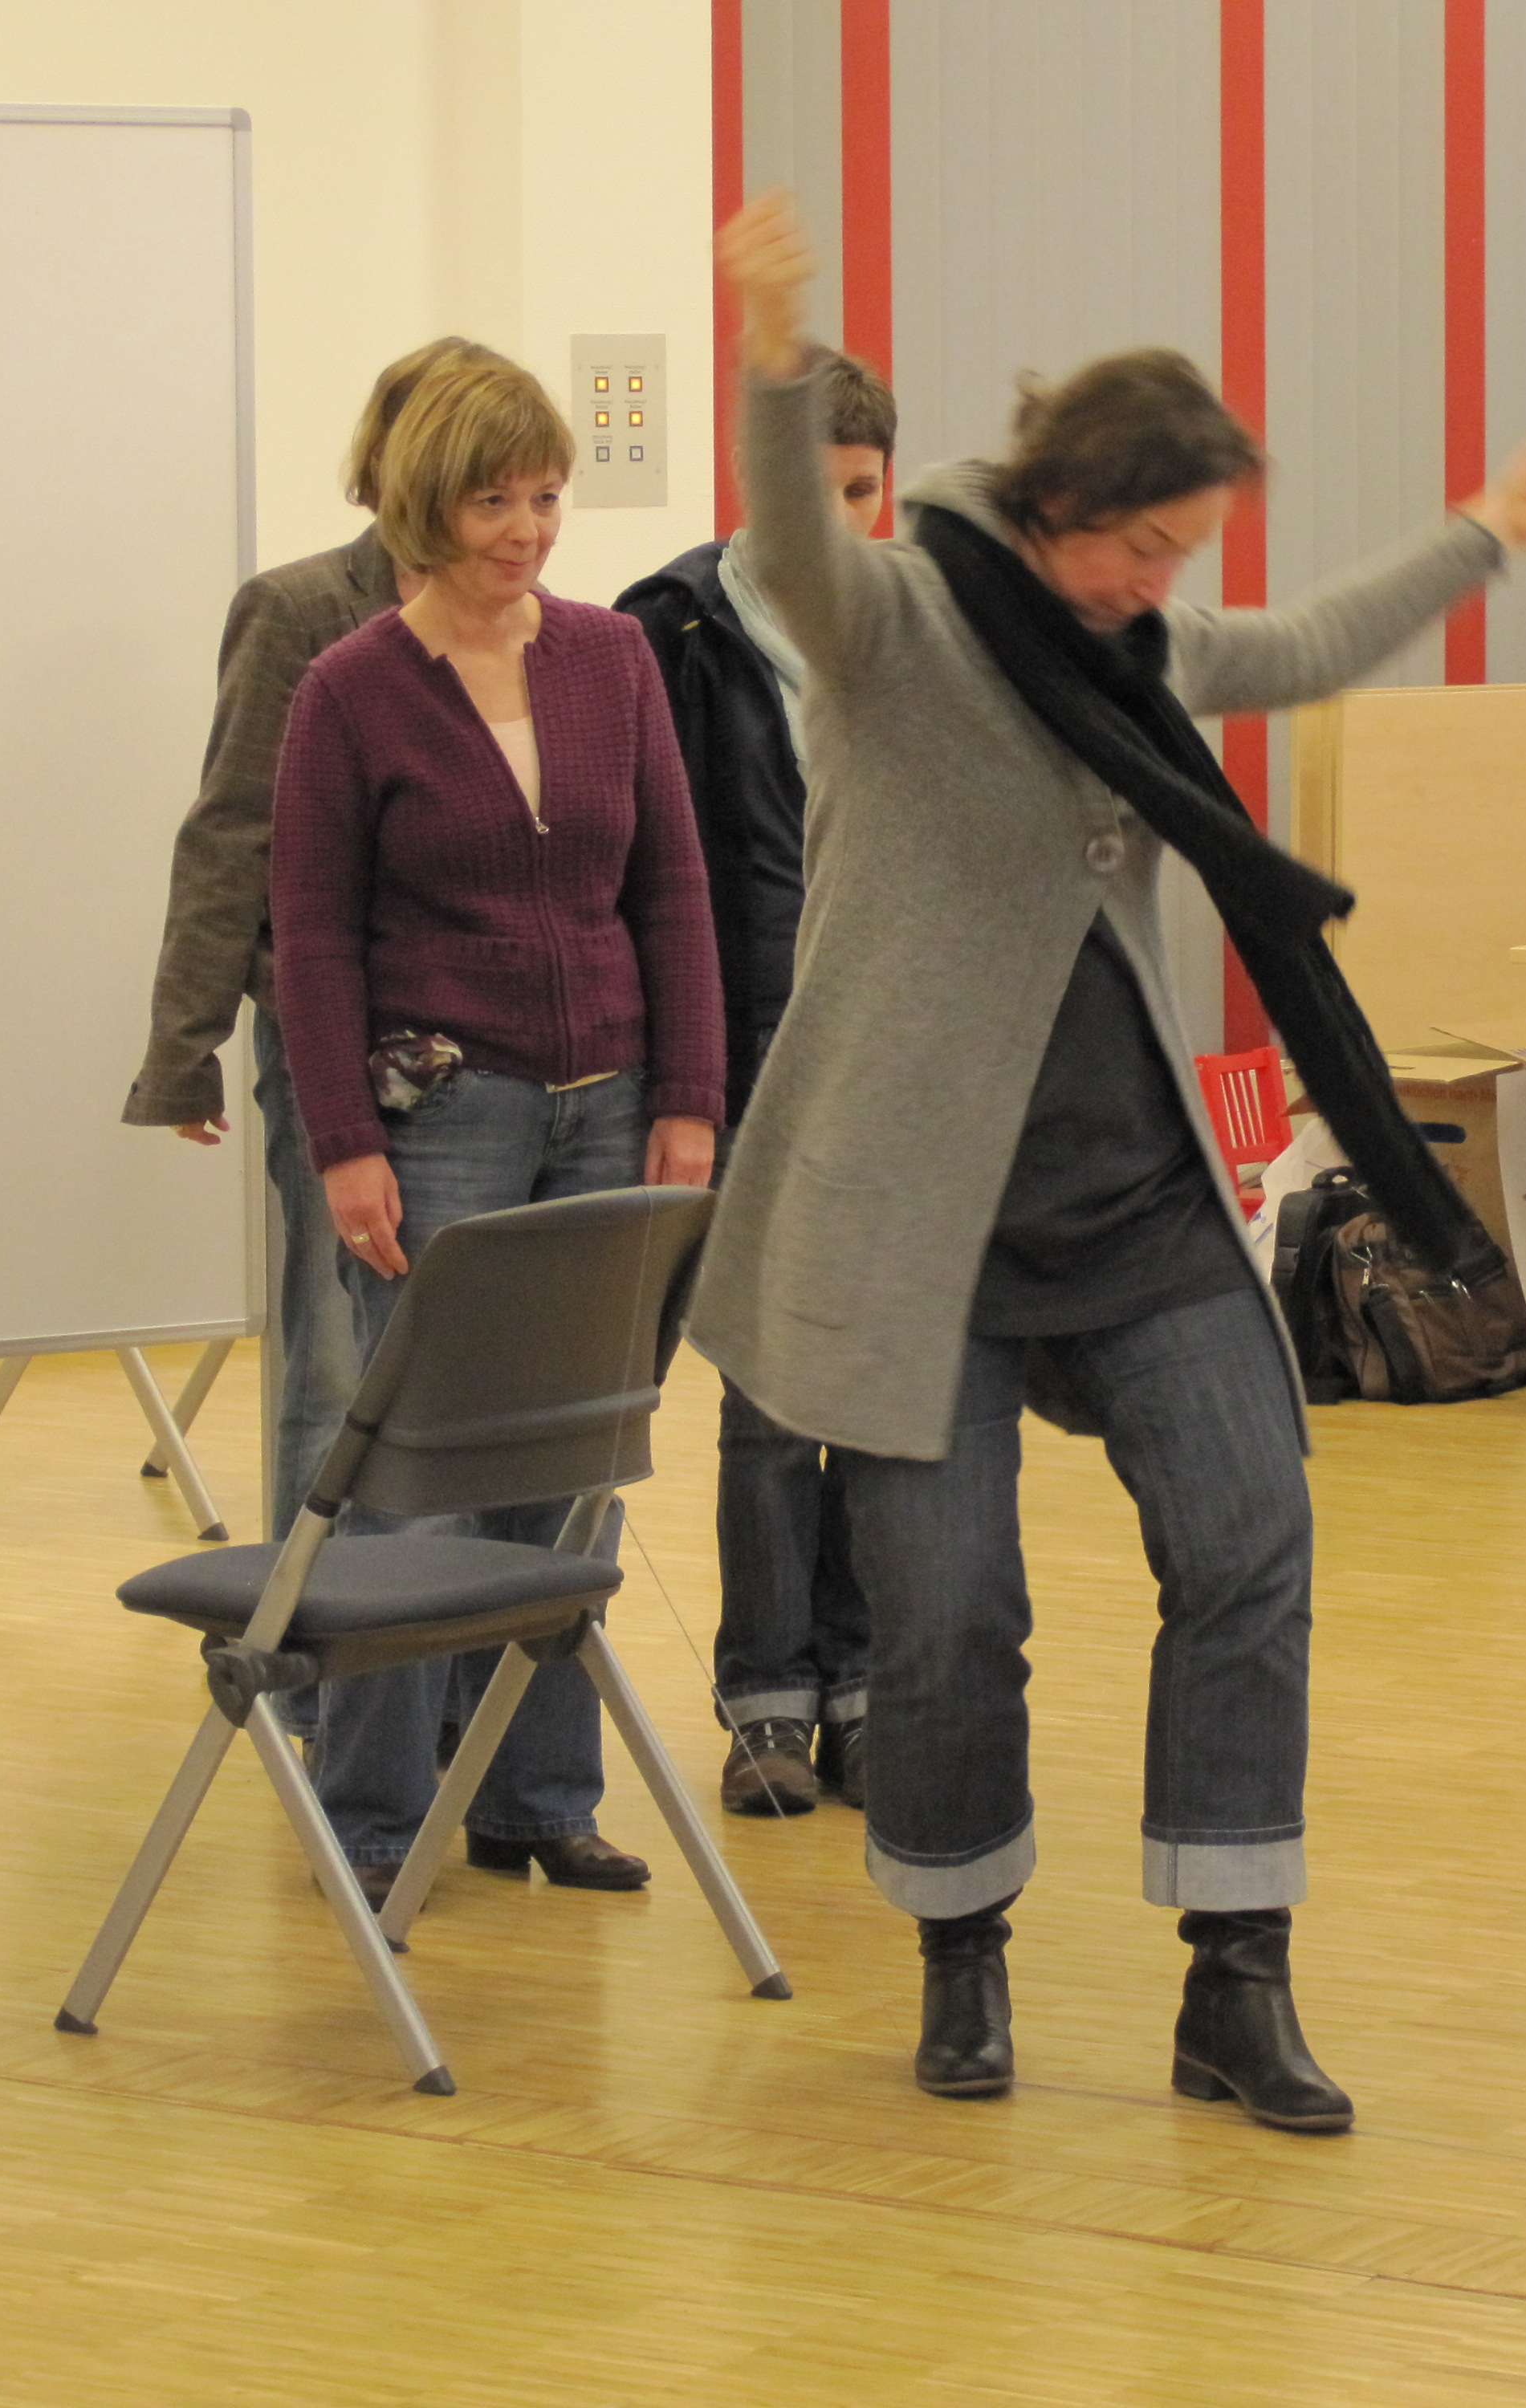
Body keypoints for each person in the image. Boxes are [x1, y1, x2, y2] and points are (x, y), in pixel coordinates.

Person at [702, 195, 1526, 2130]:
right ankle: (959, 1958)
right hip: (920, 1230)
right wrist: (773, 360)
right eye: (1145, 543)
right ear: (1059, 501)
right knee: (947, 1621)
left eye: (1182, 553)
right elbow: (785, 547)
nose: (1162, 582)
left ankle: (1232, 1981)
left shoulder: (1134, 651)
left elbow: (1303, 641)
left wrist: (1480, 532)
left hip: (1139, 1207)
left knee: (1248, 1546)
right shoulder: (896, 624)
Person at [271, 348, 725, 1900]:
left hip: (611, 1112)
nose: (529, 529)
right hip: (444, 1115)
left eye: (545, 496)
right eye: (494, 501)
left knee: (568, 1460)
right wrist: (345, 1140)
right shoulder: (349, 690)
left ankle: (537, 1795)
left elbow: (673, 887)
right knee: (419, 1470)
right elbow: (312, 937)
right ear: (425, 504)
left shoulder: (614, 659)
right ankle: (372, 1813)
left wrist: (688, 1097)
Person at [124, 338, 498, 1549]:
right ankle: (309, 1634)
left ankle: (451, 1632)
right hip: (332, 1037)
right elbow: (233, 827)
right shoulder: (298, 610)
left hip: (489, 1054)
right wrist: (182, 1048)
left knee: (471, 1366)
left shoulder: (523, 619)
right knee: (334, 1354)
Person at [616, 351, 893, 1820]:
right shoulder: (668, 634)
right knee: (774, 1400)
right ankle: (768, 1700)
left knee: (881, 1397)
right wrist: (681, 1083)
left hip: (895, 1071)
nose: (833, 522)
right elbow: (644, 885)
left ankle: (866, 1692)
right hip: (748, 1067)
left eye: (861, 492)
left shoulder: (919, 631)